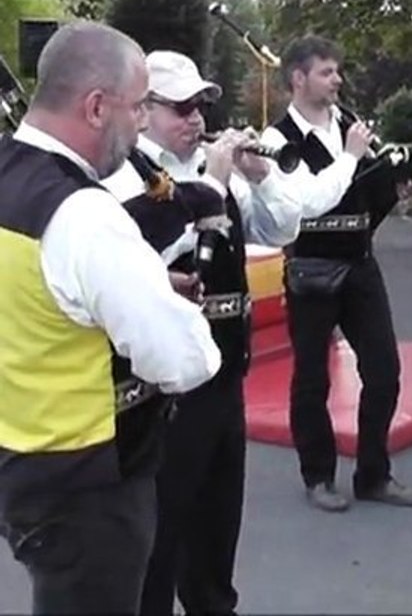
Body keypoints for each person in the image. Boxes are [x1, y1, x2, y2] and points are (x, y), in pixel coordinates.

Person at [0, 21, 222, 614]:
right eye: (136, 108)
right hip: (90, 480)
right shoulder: (84, 215)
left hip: (19, 458)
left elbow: (36, 296)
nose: (142, 124)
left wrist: (131, 286)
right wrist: (162, 298)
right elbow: (181, 359)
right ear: (96, 107)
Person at [102, 50, 303, 614]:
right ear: (141, 113)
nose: (196, 118)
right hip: (164, 391)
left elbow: (285, 225)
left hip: (224, 375)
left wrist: (260, 175)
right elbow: (147, 257)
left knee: (216, 530)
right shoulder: (123, 176)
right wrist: (212, 184)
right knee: (159, 536)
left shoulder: (216, 170)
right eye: (181, 107)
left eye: (203, 106)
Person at [263, 35, 412, 512]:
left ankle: (374, 473)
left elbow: (367, 196)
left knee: (385, 372)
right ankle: (318, 476)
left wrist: (396, 187)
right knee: (312, 378)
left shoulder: (351, 125)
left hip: (360, 262)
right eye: (327, 72)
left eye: (338, 71)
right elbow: (306, 201)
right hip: (311, 267)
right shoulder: (277, 142)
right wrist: (351, 157)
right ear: (298, 78)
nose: (338, 80)